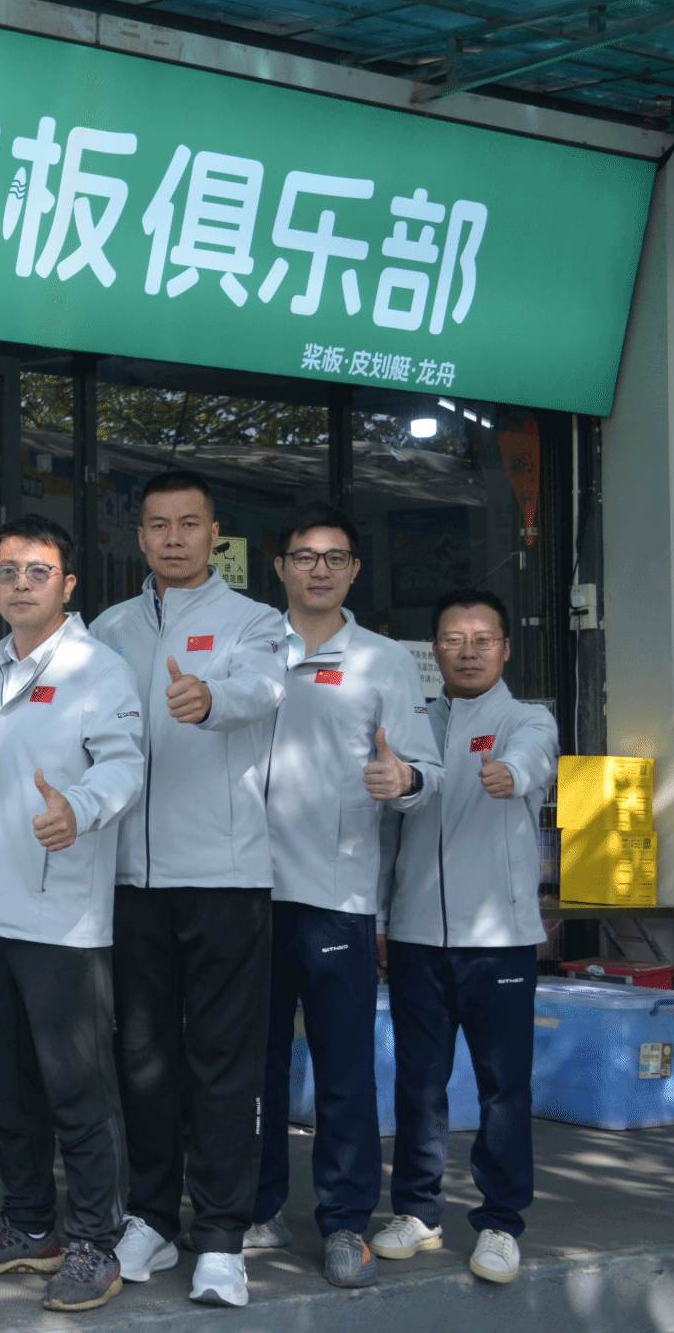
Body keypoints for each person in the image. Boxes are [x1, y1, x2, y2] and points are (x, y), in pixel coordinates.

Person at [87, 471, 285, 1309]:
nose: (173, 538)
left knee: (222, 1065)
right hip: (130, 879)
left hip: (225, 879)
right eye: (158, 525)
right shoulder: (108, 628)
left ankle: (222, 1236)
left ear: (215, 536)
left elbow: (264, 689)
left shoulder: (256, 622)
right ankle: (152, 1217)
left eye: (189, 524)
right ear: (139, 537)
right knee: (143, 1062)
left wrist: (210, 698)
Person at [0, 515, 143, 1314]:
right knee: (4, 1087)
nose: (20, 582)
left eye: (37, 570)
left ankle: (95, 1239)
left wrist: (81, 809)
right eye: (6, 570)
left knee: (77, 1090)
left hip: (61, 922)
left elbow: (125, 765)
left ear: (67, 583)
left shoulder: (100, 670)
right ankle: (31, 1223)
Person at [246, 503, 440, 1288]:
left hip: (337, 895)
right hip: (245, 888)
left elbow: (426, 770)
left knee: (343, 1070)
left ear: (355, 570)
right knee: (249, 1067)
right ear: (280, 566)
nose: (319, 569)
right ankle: (257, 1206)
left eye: (334, 557)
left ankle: (345, 1220)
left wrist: (405, 778)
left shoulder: (384, 660)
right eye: (304, 555)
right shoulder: (249, 646)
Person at [373, 589, 557, 1286]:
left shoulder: (526, 720)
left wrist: (513, 773)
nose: (469, 651)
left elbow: (534, 758)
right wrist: (384, 920)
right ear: (435, 651)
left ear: (505, 648)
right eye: (454, 639)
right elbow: (389, 832)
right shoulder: (413, 724)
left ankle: (501, 1222)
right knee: (419, 1081)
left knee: (503, 1085)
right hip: (417, 935)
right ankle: (418, 1212)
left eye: (484, 639)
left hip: (499, 938)